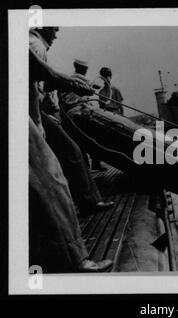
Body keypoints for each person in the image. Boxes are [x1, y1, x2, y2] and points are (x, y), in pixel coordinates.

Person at [29, 27, 112, 272]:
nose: (57, 31)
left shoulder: (33, 42)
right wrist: (66, 82)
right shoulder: (36, 44)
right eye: (53, 26)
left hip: (39, 117)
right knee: (53, 179)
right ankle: (74, 258)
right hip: (33, 118)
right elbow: (32, 75)